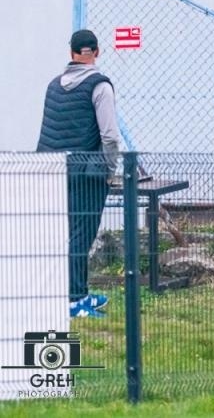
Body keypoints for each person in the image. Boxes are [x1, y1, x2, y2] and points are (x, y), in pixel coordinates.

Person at [36, 29, 119, 319]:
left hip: (54, 171)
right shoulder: (100, 86)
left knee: (61, 235)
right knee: (81, 236)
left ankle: (76, 293)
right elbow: (109, 136)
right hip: (87, 173)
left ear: (71, 52)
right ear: (96, 52)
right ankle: (74, 302)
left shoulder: (53, 86)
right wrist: (110, 170)